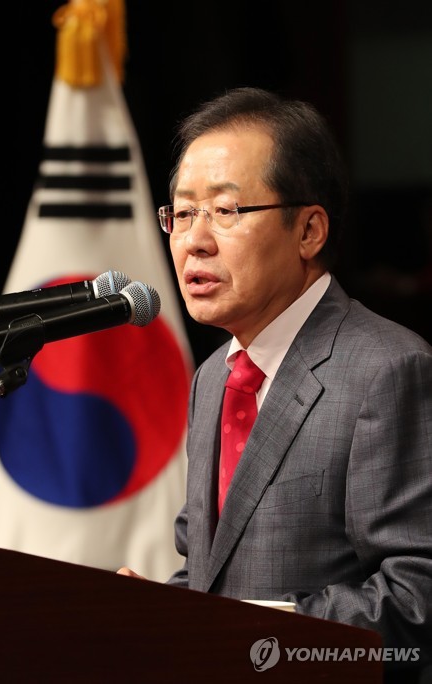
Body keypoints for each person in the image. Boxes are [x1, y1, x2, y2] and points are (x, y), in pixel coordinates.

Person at [118, 87, 432, 677]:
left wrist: (246, 630)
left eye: (226, 210)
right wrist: (159, 610)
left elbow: (417, 597)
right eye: (182, 213)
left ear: (309, 230)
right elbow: (211, 575)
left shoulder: (387, 368)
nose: (195, 240)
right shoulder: (213, 376)